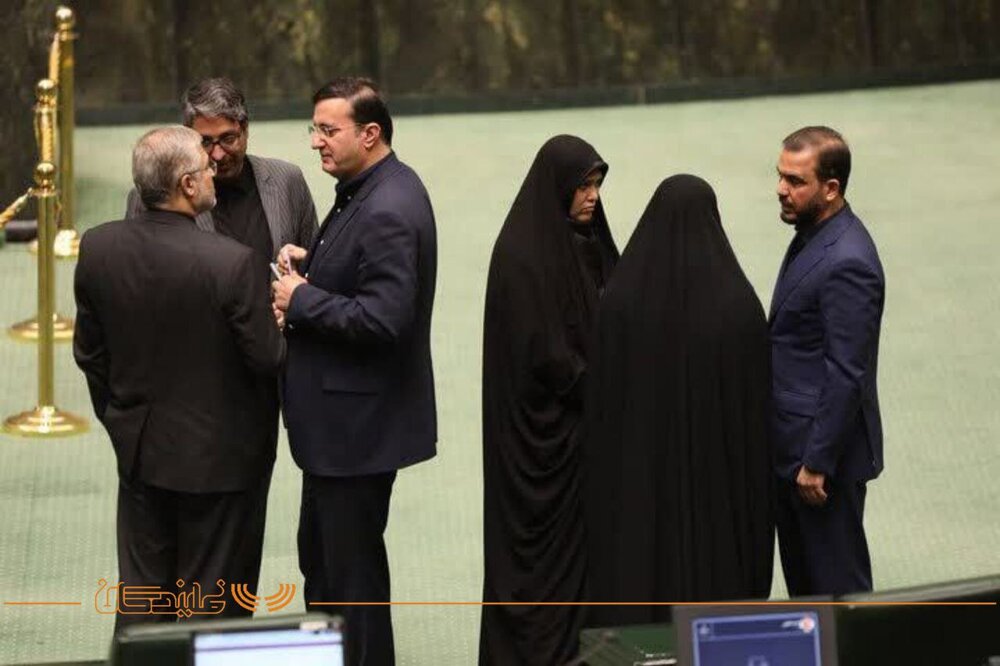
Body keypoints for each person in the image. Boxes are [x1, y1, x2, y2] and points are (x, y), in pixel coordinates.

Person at [74, 126, 285, 630]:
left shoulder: (99, 247)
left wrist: (123, 420)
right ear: (187, 185)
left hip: (141, 453)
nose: (214, 172)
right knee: (213, 611)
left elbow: (90, 354)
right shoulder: (232, 263)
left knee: (144, 603)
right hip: (222, 465)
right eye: (206, 168)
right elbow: (267, 359)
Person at [271, 78, 437, 666]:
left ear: (369, 134)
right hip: (342, 430)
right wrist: (313, 265)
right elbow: (361, 272)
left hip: (355, 434)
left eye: (328, 130)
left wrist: (301, 299)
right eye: (313, 128)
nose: (315, 141)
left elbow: (384, 319)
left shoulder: (388, 207)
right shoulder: (372, 186)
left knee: (351, 582)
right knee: (327, 566)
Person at [582, 175, 773, 627]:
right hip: (718, 501)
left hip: (637, 496)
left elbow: (602, 410)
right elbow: (755, 421)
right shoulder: (740, 308)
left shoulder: (620, 304)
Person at [480, 135, 618, 666]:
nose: (592, 196)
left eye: (597, 184)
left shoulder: (592, 245)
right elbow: (548, 355)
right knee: (533, 570)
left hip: (581, 444)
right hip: (535, 444)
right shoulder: (521, 257)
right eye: (582, 186)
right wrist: (609, 393)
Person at [770, 126, 885, 596]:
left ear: (831, 188)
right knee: (808, 594)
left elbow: (847, 371)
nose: (781, 189)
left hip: (820, 466)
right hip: (796, 451)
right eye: (780, 176)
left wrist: (817, 462)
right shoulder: (814, 233)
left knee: (840, 595)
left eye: (795, 181)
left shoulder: (848, 261)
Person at [126, 77, 318, 268]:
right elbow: (136, 273)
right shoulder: (154, 196)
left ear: (245, 130)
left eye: (228, 139)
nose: (218, 154)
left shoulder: (287, 180)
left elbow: (315, 266)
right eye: (205, 142)